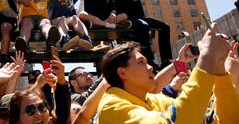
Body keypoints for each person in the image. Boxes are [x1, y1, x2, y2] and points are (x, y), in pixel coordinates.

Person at [97, 23, 239, 124]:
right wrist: (208, 56)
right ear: (123, 72)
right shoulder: (111, 107)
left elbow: (226, 120)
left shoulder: (155, 100)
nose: (151, 67)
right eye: (141, 62)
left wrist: (219, 69)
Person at [111, 0, 171, 68]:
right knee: (144, 26)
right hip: (129, 18)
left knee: (165, 27)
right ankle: (149, 60)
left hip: (140, 17)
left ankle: (166, 59)